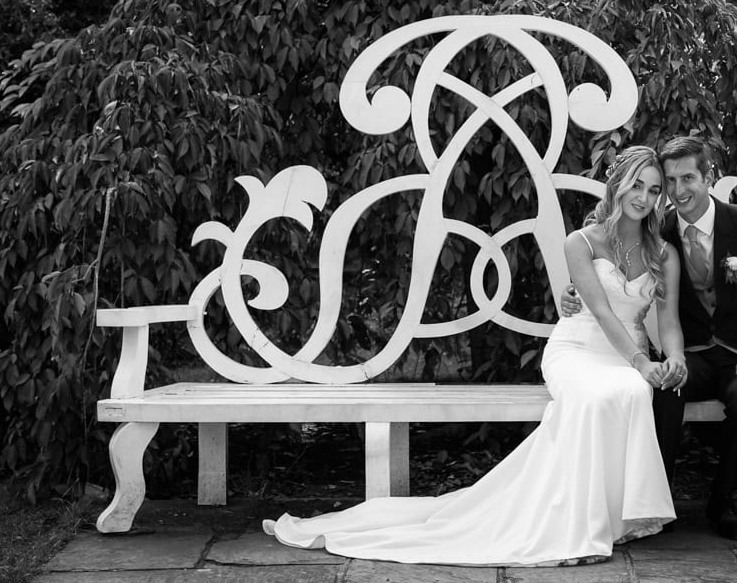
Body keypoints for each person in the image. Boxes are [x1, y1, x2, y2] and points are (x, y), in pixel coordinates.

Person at [263, 145, 685, 566]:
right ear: (617, 186)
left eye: (652, 191)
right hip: (578, 348)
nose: (643, 199)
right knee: (596, 398)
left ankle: (616, 517)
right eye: (636, 186)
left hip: (625, 355)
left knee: (630, 392)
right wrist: (641, 362)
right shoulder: (582, 242)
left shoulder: (663, 253)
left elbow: (667, 320)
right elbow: (601, 311)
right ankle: (577, 526)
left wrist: (675, 357)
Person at [560, 135, 737, 541]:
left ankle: (722, 500)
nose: (679, 191)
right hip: (691, 355)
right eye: (670, 182)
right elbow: (613, 273)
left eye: (688, 178)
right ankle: (656, 501)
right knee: (663, 389)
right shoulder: (656, 233)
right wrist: (572, 294)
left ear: (708, 177)